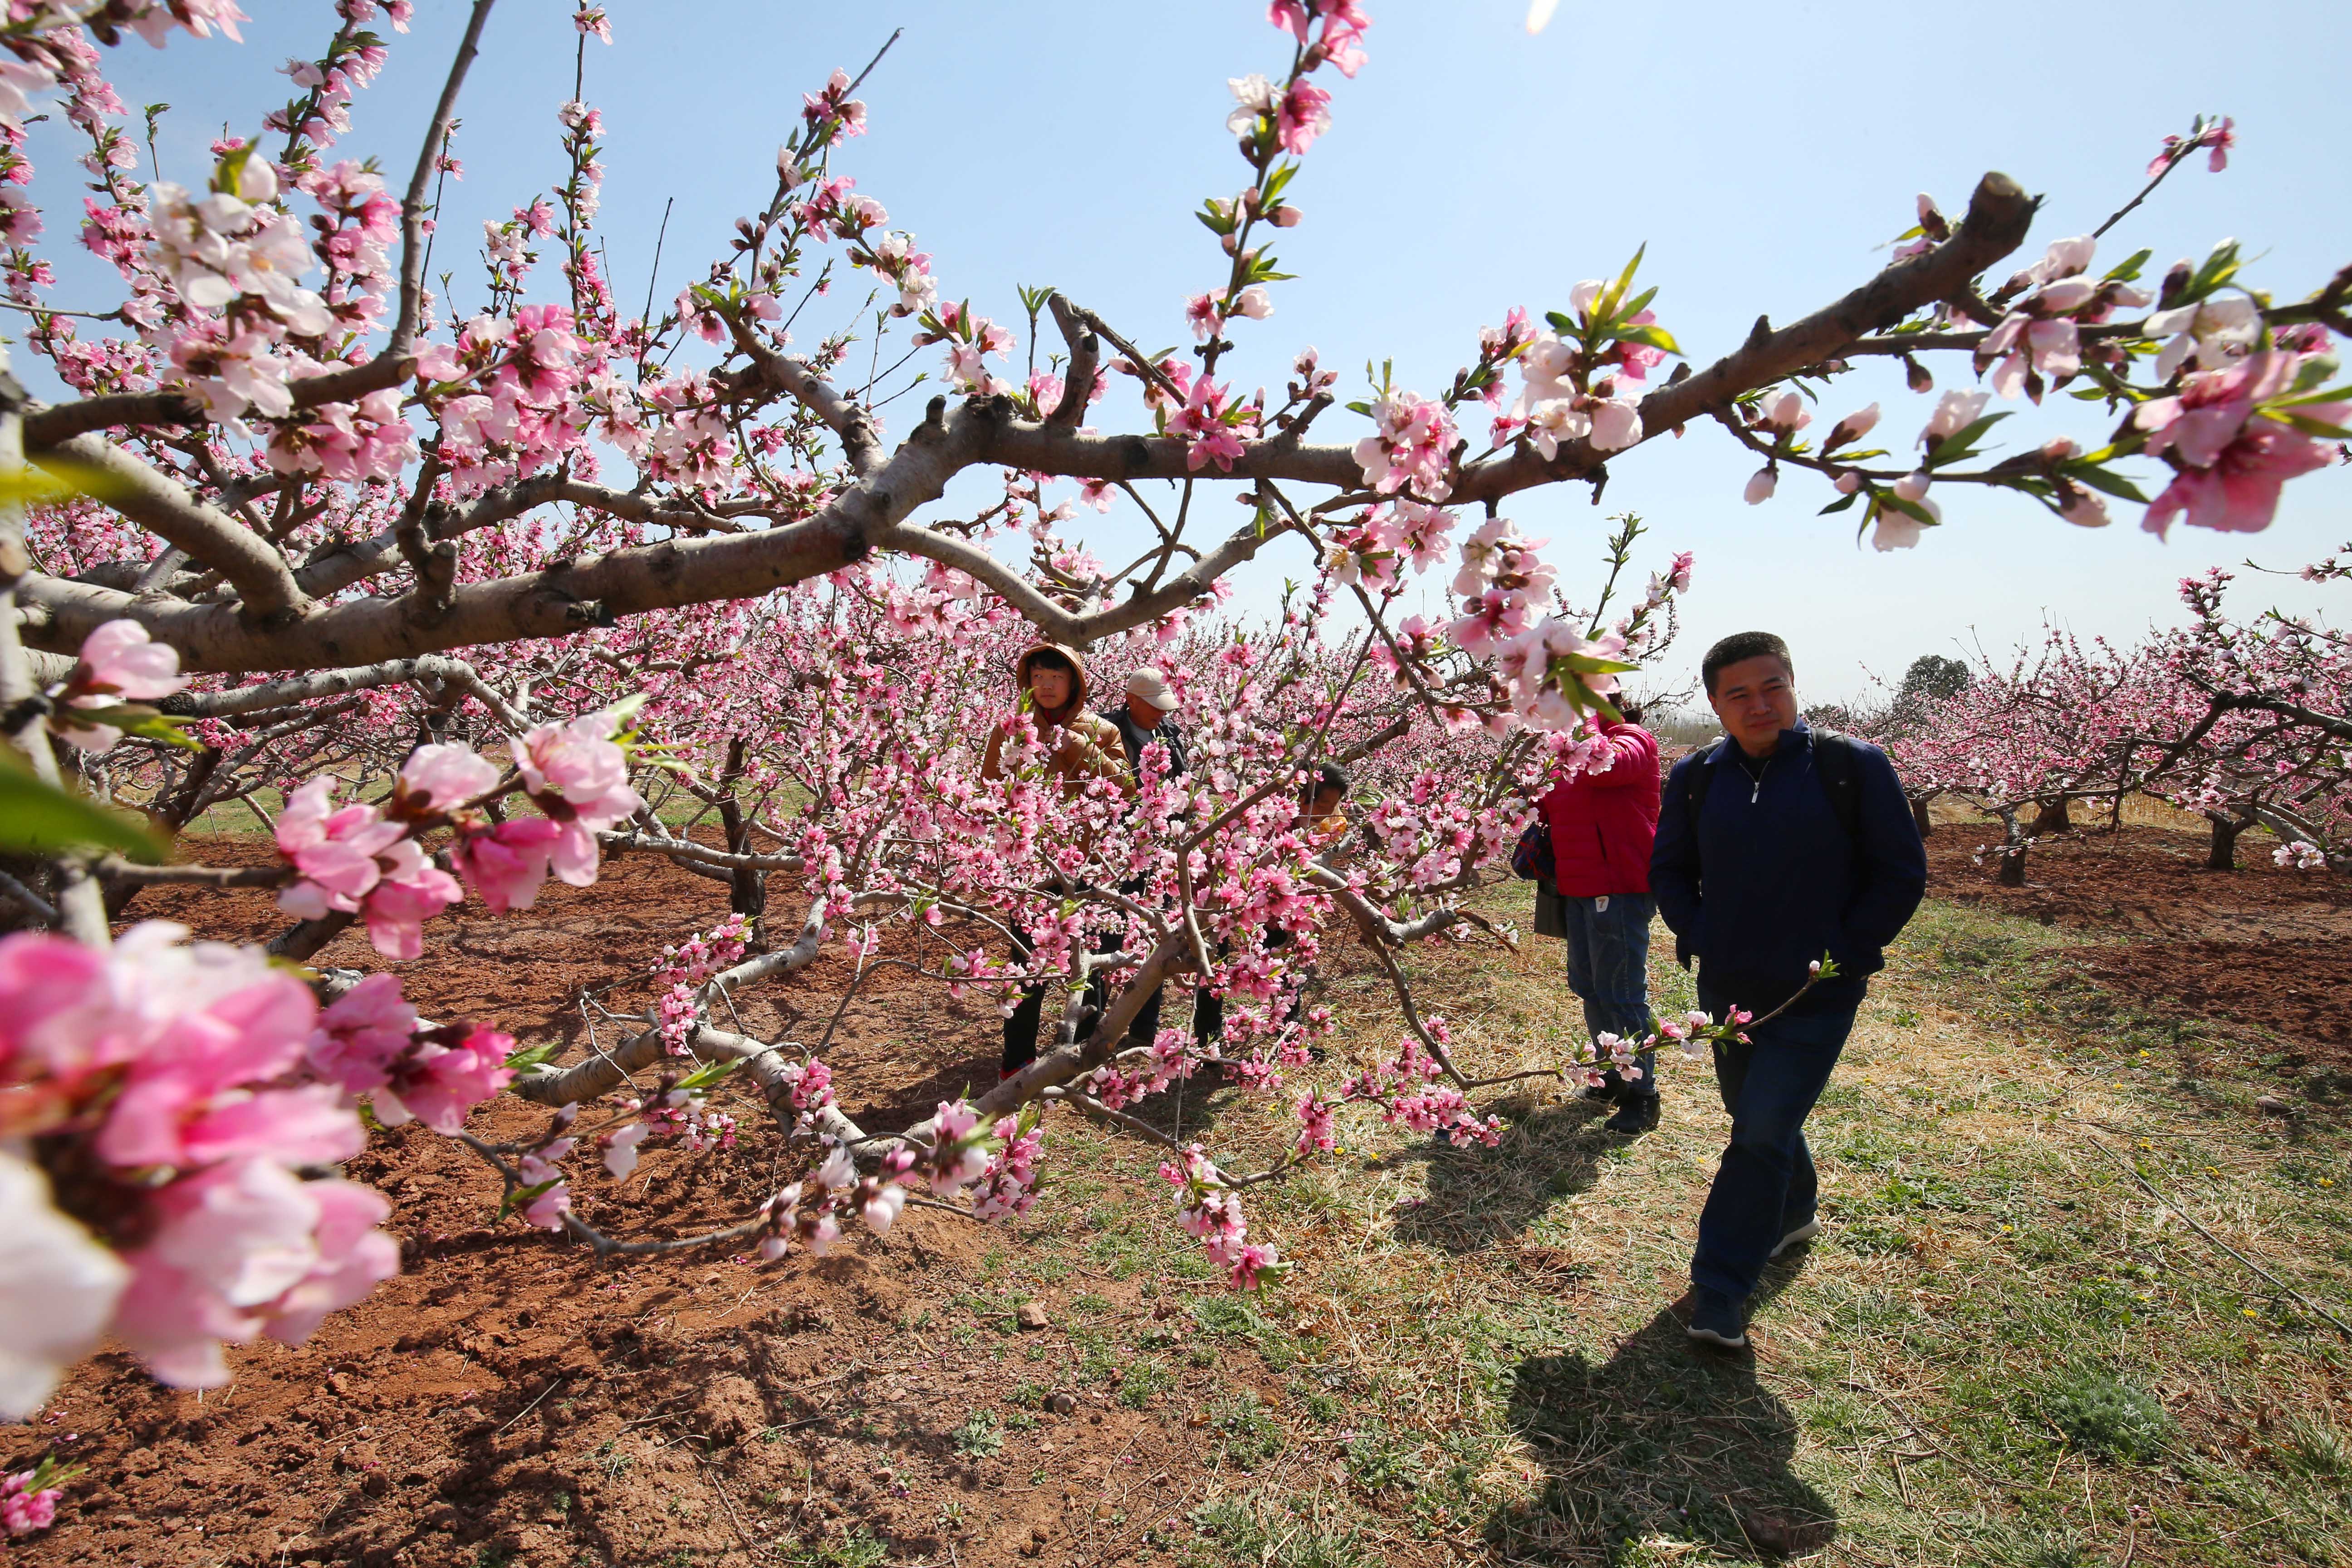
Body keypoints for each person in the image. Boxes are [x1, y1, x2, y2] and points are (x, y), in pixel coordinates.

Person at [1651, 632, 1926, 1350]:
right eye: (1737, 693)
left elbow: (1899, 872)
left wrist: (1844, 954)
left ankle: (1719, 1288)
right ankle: (1796, 1210)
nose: (1758, 704)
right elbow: (1670, 872)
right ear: (1714, 704)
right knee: (1757, 1118)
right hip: (1730, 989)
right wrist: (1702, 931)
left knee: (1759, 1131)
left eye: (1772, 686)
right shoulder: (1698, 777)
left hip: (1816, 995)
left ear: (1794, 686)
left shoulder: (1850, 767)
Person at [982, 643, 1131, 1076]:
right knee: (1026, 961)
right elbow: (991, 786)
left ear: (1075, 684)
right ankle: (1017, 1058)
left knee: (1089, 959)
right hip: (1030, 863)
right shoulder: (1009, 728)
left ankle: (1086, 1053)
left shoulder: (1102, 730)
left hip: (1088, 863)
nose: (1046, 686)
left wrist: (1080, 747)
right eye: (1038, 678)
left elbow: (1125, 786)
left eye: (1056, 678)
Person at [1537, 701, 1663, 1135]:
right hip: (1578, 888)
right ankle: (1611, 1075)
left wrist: (1583, 713)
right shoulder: (1564, 756)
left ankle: (1644, 1095)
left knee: (1622, 992)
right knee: (1590, 987)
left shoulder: (1633, 741)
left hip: (1621, 887)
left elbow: (1603, 768)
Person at [1098, 666, 1220, 1058]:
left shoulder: (1169, 735)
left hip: (1163, 852)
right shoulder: (1105, 733)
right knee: (1107, 938)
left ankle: (1143, 1027)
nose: (1161, 713)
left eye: (1164, 706)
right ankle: (1094, 1027)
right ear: (1131, 699)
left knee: (1155, 938)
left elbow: (1183, 788)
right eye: (1153, 705)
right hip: (1118, 851)